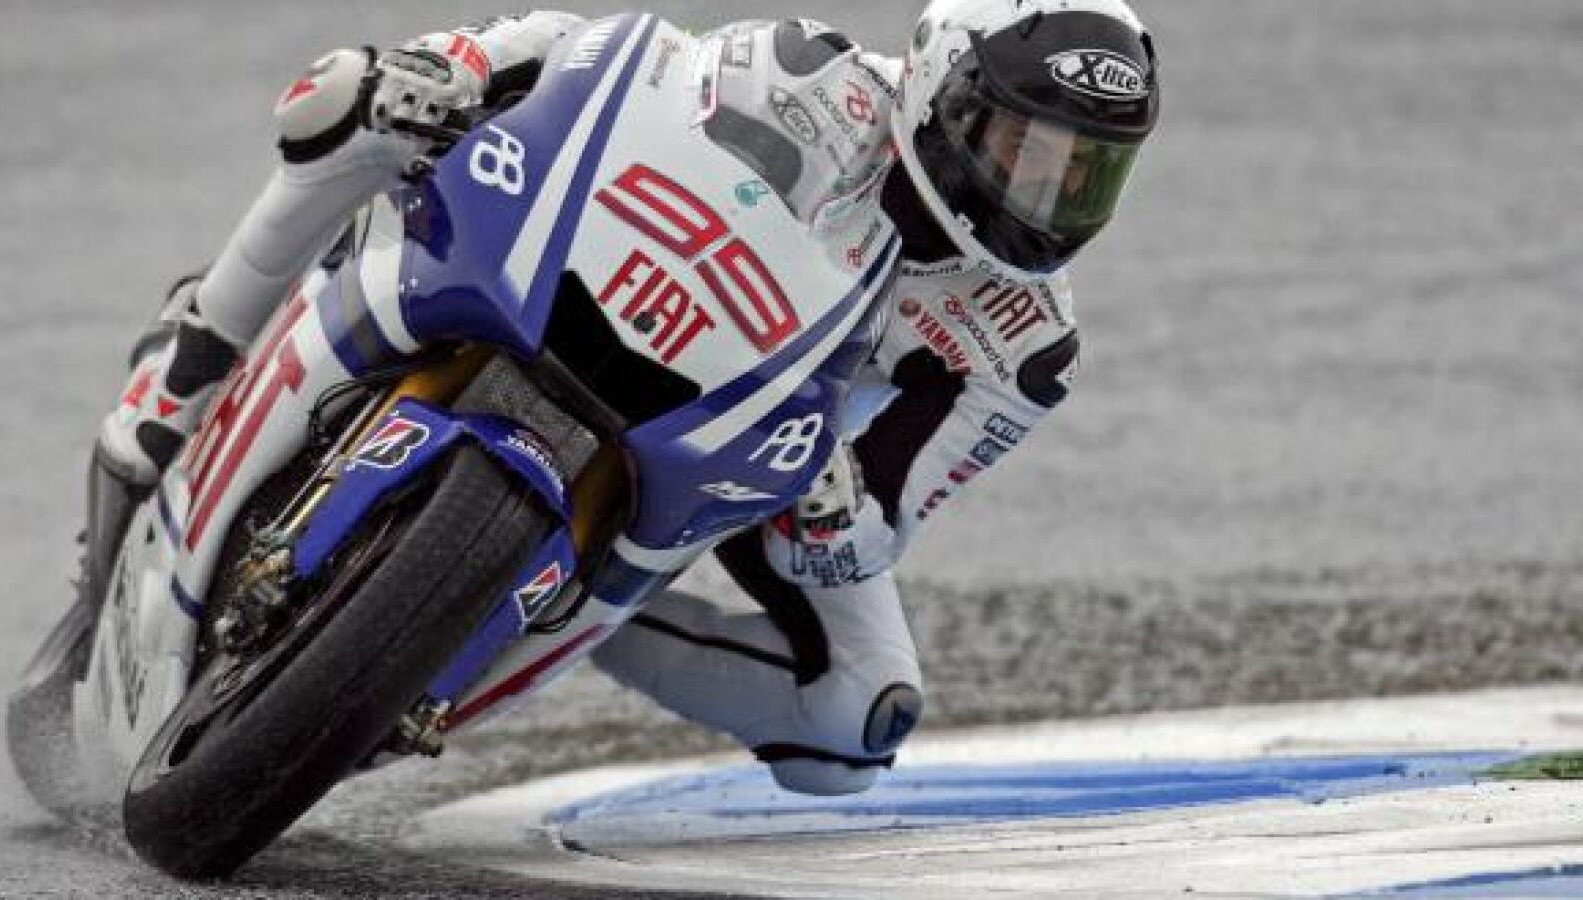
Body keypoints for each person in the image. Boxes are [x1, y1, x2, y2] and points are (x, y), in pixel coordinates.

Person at [91, 0, 1159, 796]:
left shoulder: (1025, 346)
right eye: (1024, 152)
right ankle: (190, 355)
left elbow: (875, 529)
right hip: (609, 287)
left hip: (756, 457)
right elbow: (612, 58)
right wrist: (465, 65)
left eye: (1087, 174)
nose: (1046, 198)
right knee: (347, 98)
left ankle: (522, 613)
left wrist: (837, 511)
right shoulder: (811, 73)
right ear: (943, 92)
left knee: (858, 721)